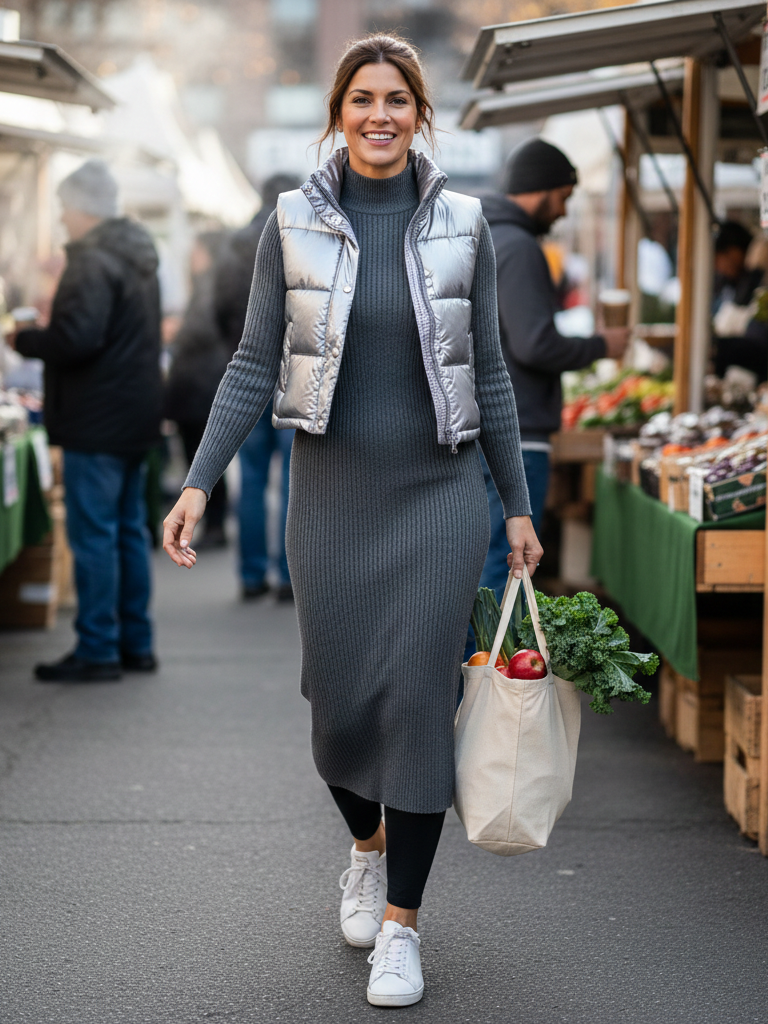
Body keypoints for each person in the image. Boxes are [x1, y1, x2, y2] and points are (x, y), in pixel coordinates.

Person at [162, 34, 542, 1008]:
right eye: (363, 98)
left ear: (421, 112)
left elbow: (491, 376)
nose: (380, 114)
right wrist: (200, 480)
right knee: (337, 709)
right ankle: (365, 849)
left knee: (417, 703)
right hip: (331, 500)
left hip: (441, 497)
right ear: (340, 113)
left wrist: (515, 506)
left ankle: (404, 926)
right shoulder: (290, 222)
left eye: (398, 99)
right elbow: (252, 363)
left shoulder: (463, 223)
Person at [14, 159, 162, 682]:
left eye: (63, 207)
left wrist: (23, 338)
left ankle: (98, 649)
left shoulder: (92, 261)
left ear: (82, 208)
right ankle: (135, 643)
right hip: (133, 415)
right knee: (126, 530)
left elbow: (77, 339)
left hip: (96, 419)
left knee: (96, 534)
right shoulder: (137, 254)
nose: (60, 218)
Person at [478, 137, 630, 600]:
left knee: (489, 564)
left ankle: (478, 667)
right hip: (520, 432)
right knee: (503, 568)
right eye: (563, 197)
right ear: (542, 189)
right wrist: (601, 344)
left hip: (500, 424)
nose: (563, 211)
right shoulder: (519, 246)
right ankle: (485, 671)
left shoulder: (490, 236)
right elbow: (534, 344)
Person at [213, 174, 301, 600]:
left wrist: (239, 346)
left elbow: (218, 307)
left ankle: (250, 576)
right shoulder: (303, 234)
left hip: (248, 372)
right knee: (291, 479)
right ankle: (287, 577)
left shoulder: (235, 244)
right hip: (296, 374)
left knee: (249, 478)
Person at [165, 231, 231, 549]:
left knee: (202, 460)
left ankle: (212, 526)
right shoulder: (215, 280)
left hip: (199, 387)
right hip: (201, 385)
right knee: (204, 458)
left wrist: (177, 333)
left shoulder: (209, 282)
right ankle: (213, 524)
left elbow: (200, 328)